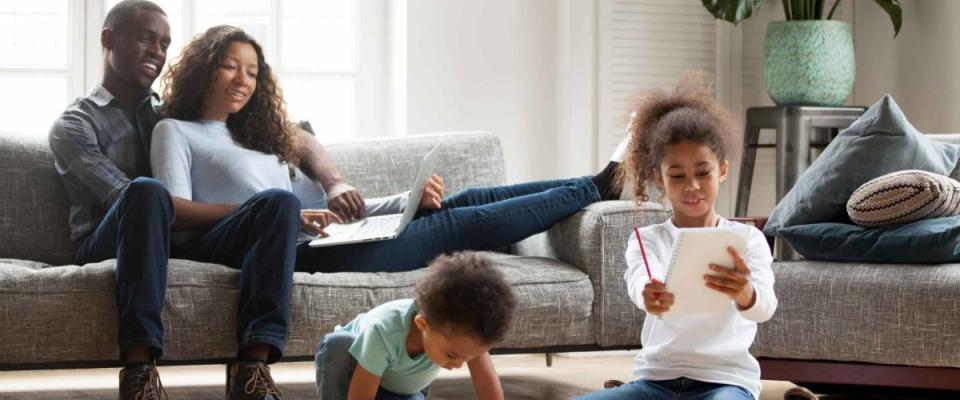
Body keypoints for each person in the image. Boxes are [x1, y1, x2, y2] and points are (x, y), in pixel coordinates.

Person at [47, 1, 365, 399]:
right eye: (147, 39)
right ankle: (139, 371)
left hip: (185, 238)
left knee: (279, 202)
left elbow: (293, 132)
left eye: (164, 44)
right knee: (145, 191)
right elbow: (128, 202)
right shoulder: (74, 124)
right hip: (107, 242)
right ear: (109, 39)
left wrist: (332, 182)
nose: (157, 53)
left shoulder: (167, 112)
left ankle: (253, 371)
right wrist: (240, 210)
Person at [150, 25, 626, 275]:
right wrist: (276, 217)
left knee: (466, 199)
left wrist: (405, 201)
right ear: (205, 68)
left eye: (252, 72)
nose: (243, 80)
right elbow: (172, 212)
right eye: (231, 67)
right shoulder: (177, 132)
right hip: (285, 255)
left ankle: (597, 181)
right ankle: (595, 186)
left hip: (322, 238)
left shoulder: (257, 137)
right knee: (457, 224)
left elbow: (323, 214)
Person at [575, 77, 778, 400]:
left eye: (703, 172)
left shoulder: (748, 239)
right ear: (659, 178)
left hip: (725, 382)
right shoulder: (646, 239)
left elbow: (764, 308)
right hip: (656, 381)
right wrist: (650, 294)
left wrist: (744, 293)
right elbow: (641, 280)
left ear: (722, 170)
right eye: (677, 175)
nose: (692, 186)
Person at [314, 252, 516, 400]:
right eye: (453, 356)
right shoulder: (384, 331)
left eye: (467, 358)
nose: (458, 365)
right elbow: (361, 396)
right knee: (338, 344)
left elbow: (486, 386)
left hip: (400, 390)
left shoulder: (465, 336)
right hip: (353, 376)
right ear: (422, 325)